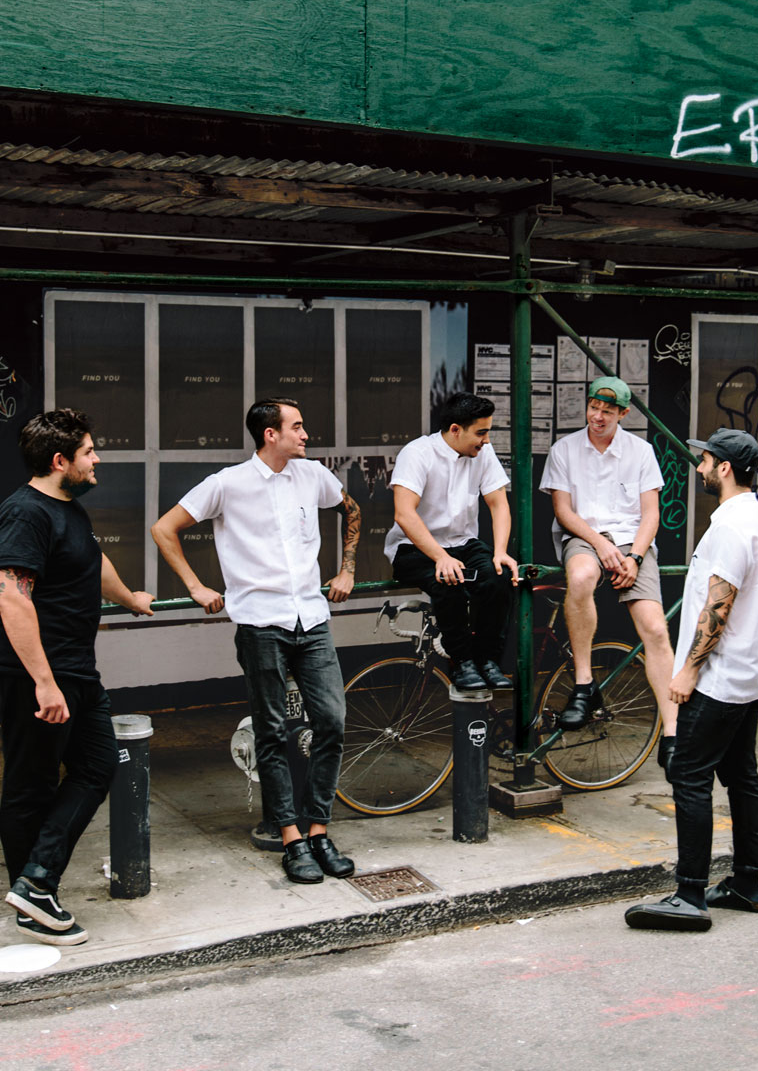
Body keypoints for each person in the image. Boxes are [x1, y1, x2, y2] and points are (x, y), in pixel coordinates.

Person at [152, 398, 361, 887]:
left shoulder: (314, 477)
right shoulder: (228, 484)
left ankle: (319, 830)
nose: (306, 434)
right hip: (260, 623)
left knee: (332, 719)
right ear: (270, 434)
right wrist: (196, 587)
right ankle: (291, 838)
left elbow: (350, 508)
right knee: (271, 731)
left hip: (311, 617)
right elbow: (165, 528)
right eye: (298, 426)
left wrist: (348, 568)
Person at [0, 409, 155, 946]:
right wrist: (45, 682)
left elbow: (93, 563)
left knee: (98, 766)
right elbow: (11, 595)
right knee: (30, 785)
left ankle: (37, 881)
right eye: (89, 451)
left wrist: (131, 599)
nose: (97, 458)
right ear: (61, 461)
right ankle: (33, 897)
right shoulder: (24, 513)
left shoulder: (68, 510)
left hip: (76, 667)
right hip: (38, 674)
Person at [625, 428, 758, 931]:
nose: (699, 468)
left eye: (705, 460)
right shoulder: (755, 515)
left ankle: (690, 896)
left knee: (688, 774)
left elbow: (719, 604)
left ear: (725, 468)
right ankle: (748, 883)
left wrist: (687, 670)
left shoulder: (732, 527)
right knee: (741, 775)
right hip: (751, 675)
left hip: (720, 678)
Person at [539, 375, 676, 769]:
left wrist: (633, 557)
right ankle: (584, 684)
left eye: (608, 410)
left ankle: (673, 733)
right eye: (593, 408)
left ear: (623, 413)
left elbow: (651, 515)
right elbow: (563, 512)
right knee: (580, 577)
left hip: (634, 541)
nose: (598, 416)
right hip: (584, 536)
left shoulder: (641, 451)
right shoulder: (565, 449)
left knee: (654, 627)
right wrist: (601, 545)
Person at [386, 391, 518, 692]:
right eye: (480, 432)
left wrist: (500, 552)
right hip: (413, 546)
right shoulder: (417, 453)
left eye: (488, 432)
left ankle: (487, 660)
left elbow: (499, 504)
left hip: (462, 543)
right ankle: (462, 663)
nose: (485, 440)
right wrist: (439, 557)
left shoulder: (482, 452)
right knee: (448, 580)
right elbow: (404, 514)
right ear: (456, 429)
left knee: (498, 578)